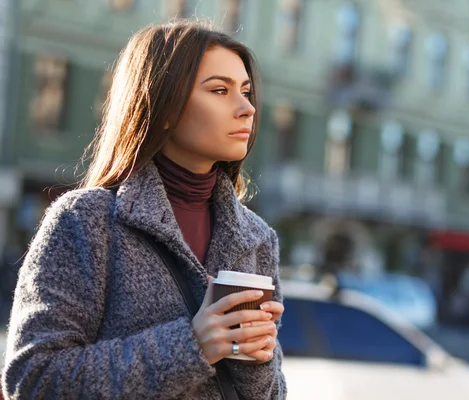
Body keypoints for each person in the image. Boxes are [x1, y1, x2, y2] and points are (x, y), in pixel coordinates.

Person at [1, 20, 286, 399]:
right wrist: (191, 345)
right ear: (164, 106)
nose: (247, 108)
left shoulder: (257, 237)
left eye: (247, 92)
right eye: (220, 90)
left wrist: (259, 359)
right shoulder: (86, 221)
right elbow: (32, 379)